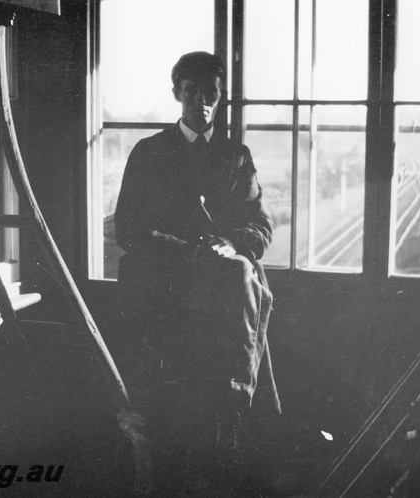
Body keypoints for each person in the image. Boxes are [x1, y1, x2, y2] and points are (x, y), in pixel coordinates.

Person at [114, 51, 281, 460]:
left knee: (241, 274)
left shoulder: (235, 157)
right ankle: (243, 415)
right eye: (192, 93)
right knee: (242, 282)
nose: (201, 103)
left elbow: (261, 225)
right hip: (166, 276)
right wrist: (187, 252)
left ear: (220, 98)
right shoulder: (149, 152)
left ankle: (233, 420)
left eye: (211, 94)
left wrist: (232, 245)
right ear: (177, 94)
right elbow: (128, 230)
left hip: (223, 275)